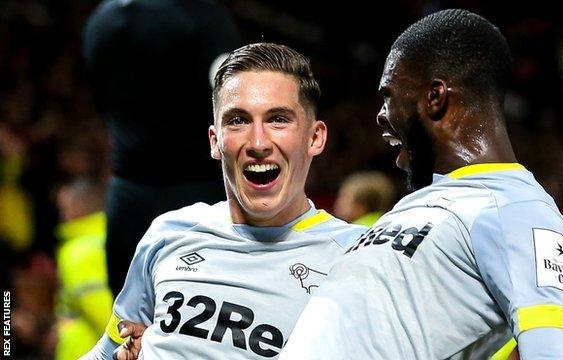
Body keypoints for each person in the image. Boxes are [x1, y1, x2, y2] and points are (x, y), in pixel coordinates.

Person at [280, 9, 563, 359]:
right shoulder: (415, 206)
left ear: (435, 97)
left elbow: (549, 352)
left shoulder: (516, 209)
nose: (380, 113)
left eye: (389, 95)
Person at [81, 42, 366, 359]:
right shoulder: (169, 233)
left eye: (278, 119)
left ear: (315, 138)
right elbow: (109, 351)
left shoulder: (357, 258)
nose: (258, 142)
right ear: (215, 142)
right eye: (238, 120)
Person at [82, 0, 240, 295]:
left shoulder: (101, 20)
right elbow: (232, 98)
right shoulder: (202, 16)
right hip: (198, 195)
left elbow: (99, 98)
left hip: (127, 196)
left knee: (129, 325)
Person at [54, 178, 112, 359]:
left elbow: (100, 310)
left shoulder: (79, 251)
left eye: (64, 208)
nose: (62, 214)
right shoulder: (109, 238)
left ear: (78, 207)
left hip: (86, 349)